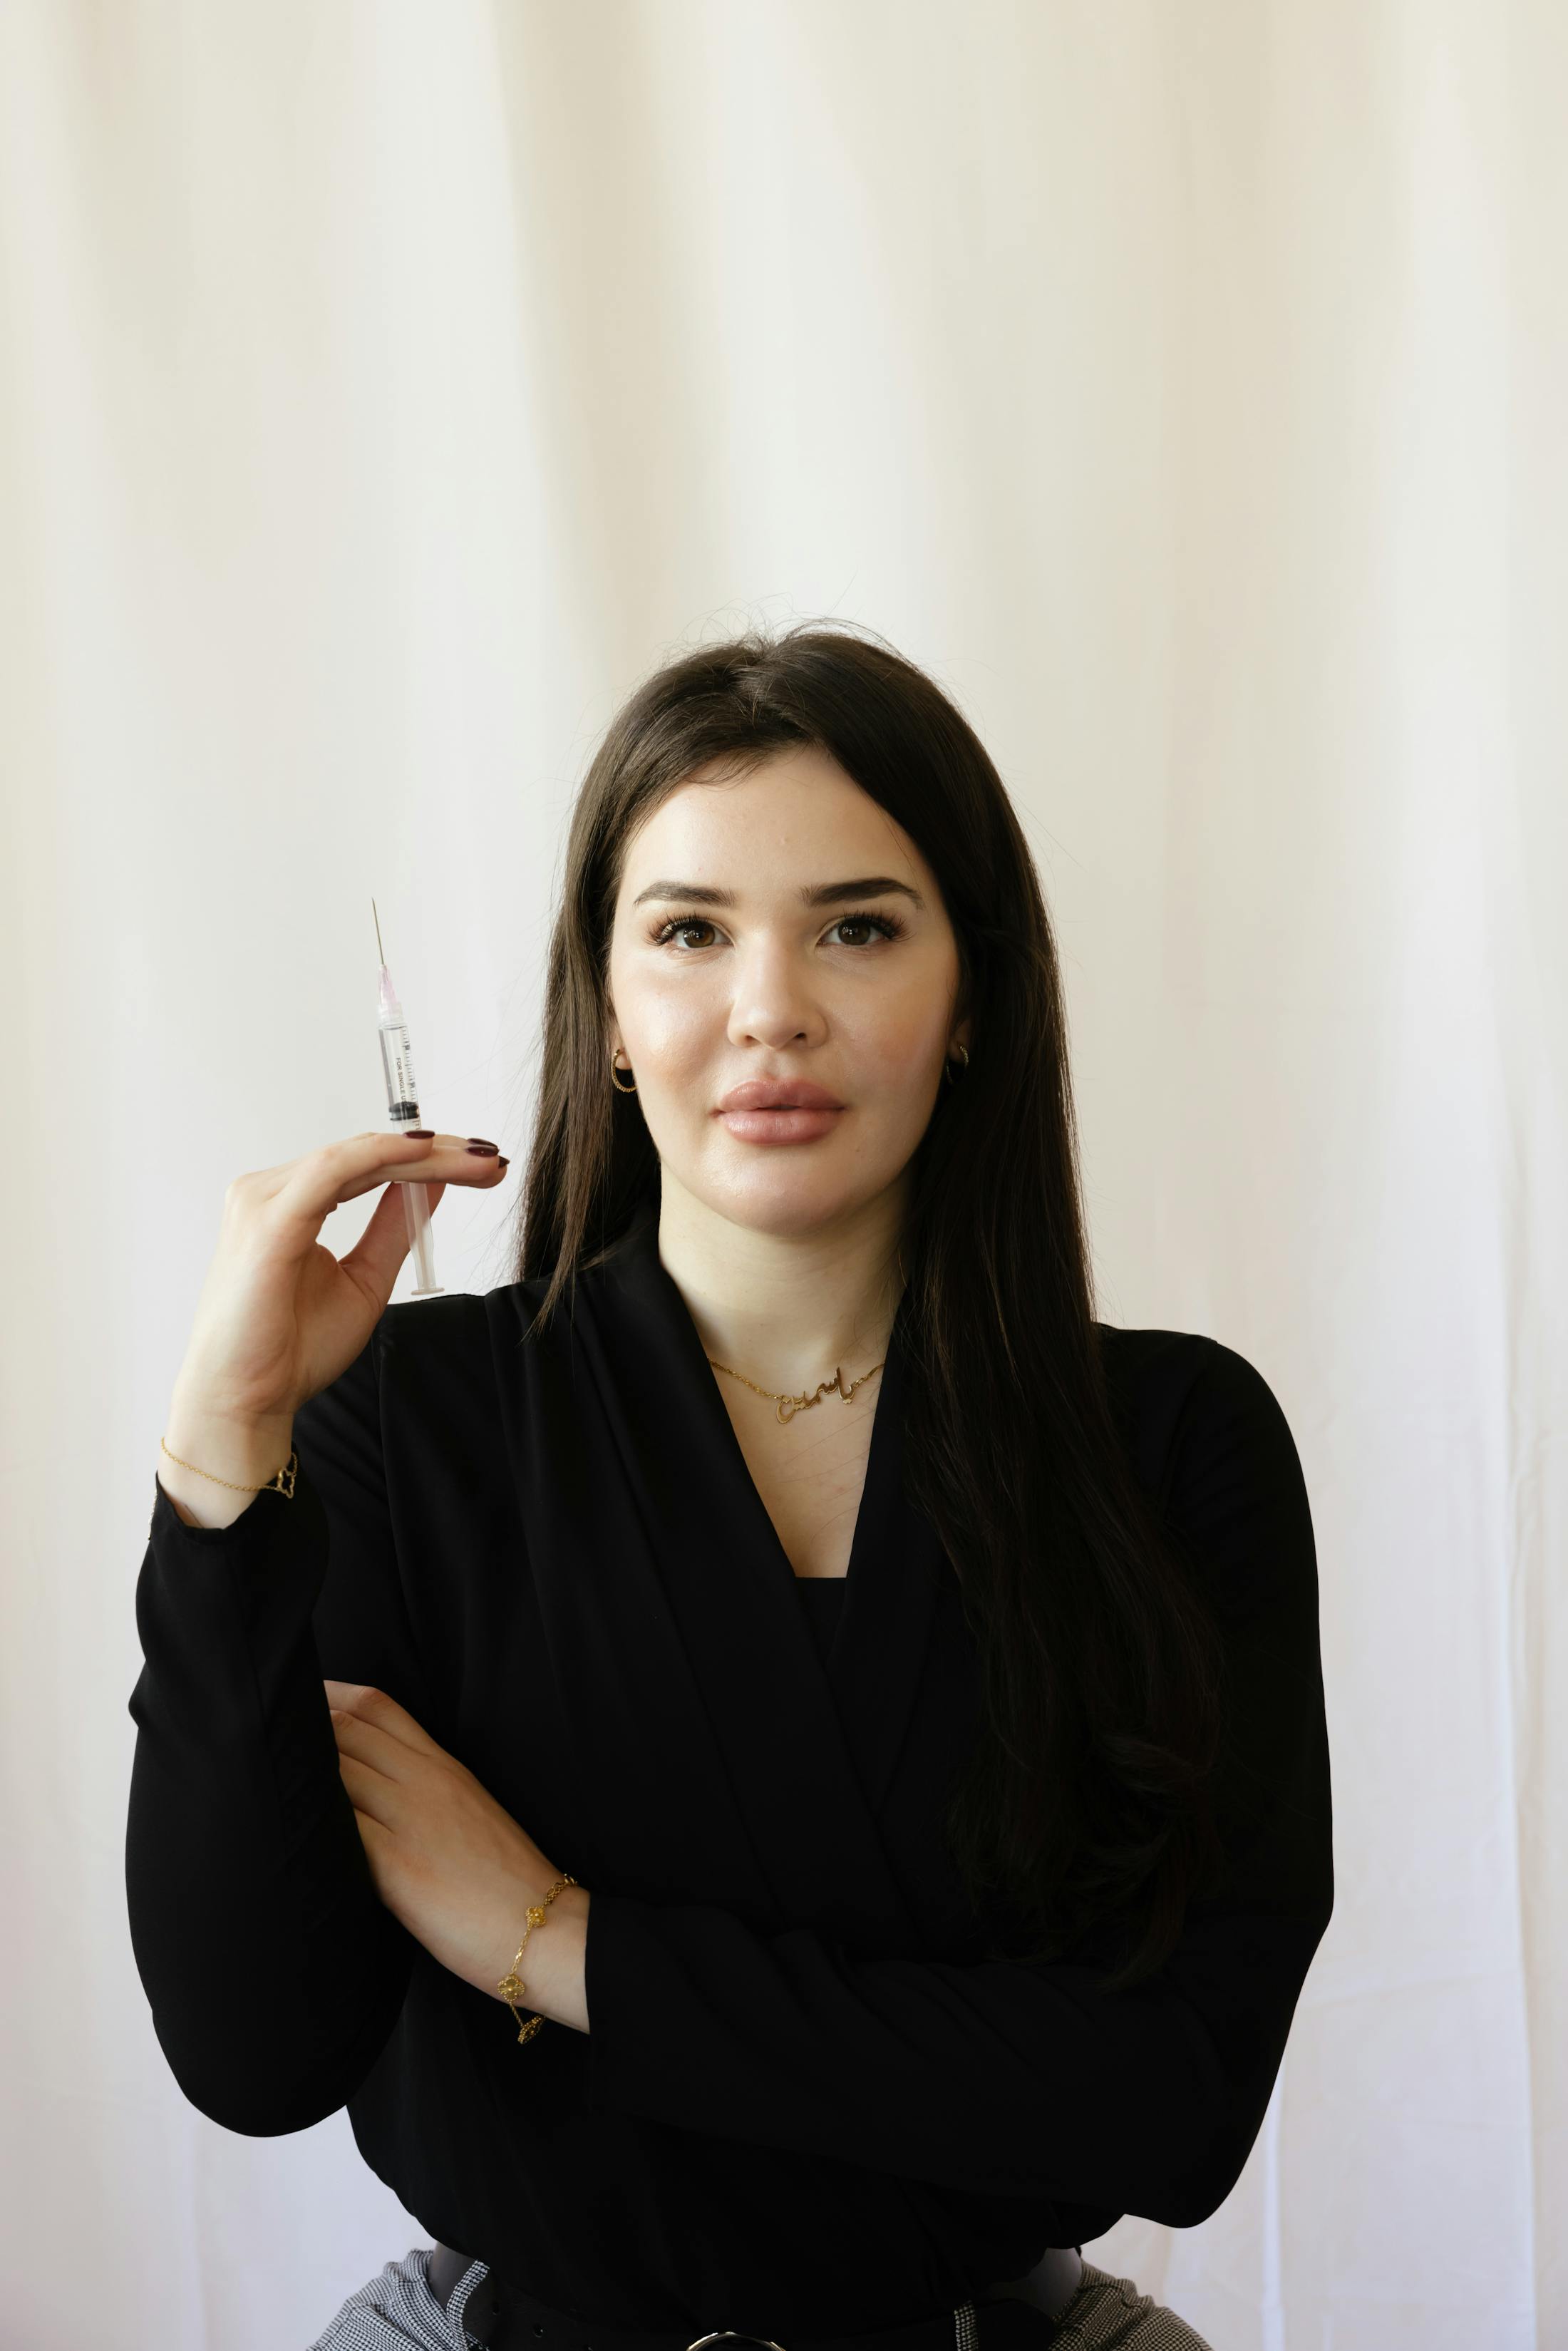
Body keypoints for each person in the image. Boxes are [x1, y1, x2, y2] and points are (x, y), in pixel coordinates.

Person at [125, 624, 1333, 2351]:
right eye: (690, 930)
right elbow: (255, 2053)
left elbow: (1168, 2105)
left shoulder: (1172, 1442)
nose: (770, 1008)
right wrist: (223, 1462)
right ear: (610, 1011)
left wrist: (555, 1942)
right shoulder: (411, 1417)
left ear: (973, 995)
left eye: (857, 925)